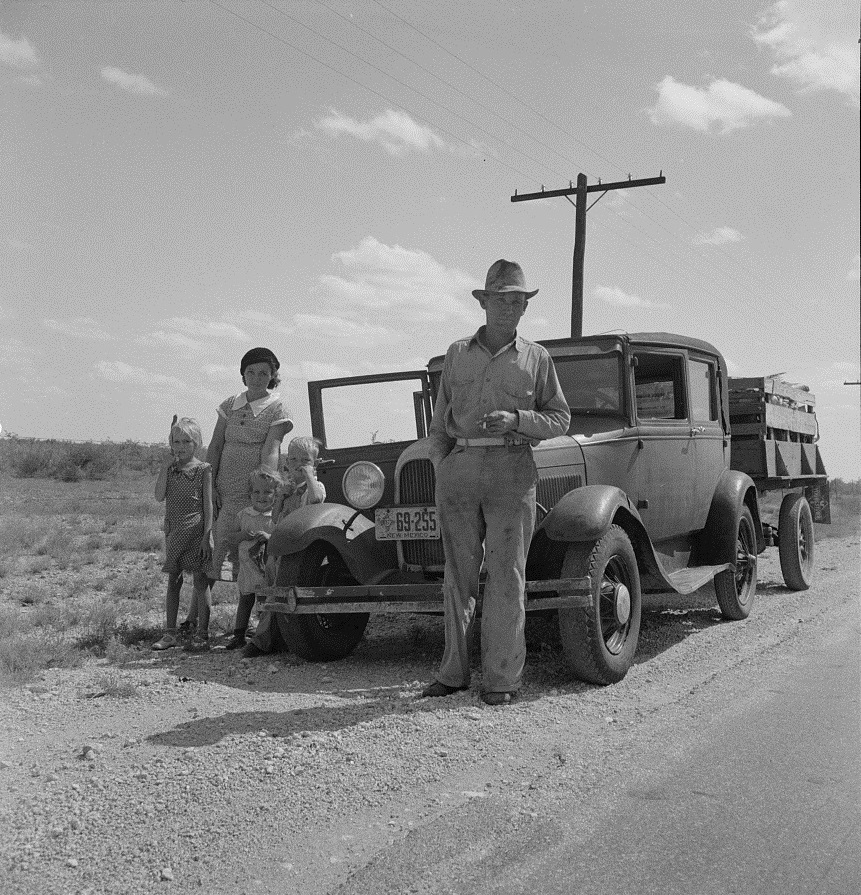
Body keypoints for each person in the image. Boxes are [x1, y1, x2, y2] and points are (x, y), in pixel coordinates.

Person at [421, 259, 570, 706]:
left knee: (507, 576)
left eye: (519, 301)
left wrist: (518, 420)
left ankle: (502, 680)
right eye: (503, 299)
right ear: (484, 303)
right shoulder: (455, 353)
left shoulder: (537, 357)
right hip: (460, 471)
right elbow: (440, 420)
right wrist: (441, 464)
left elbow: (560, 418)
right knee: (457, 577)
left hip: (512, 471)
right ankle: (453, 674)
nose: (512, 307)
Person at [207, 347, 293, 586]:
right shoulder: (230, 404)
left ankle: (248, 618)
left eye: (263, 373)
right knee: (217, 549)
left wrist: (263, 491)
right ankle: (196, 619)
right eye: (251, 372)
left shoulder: (278, 408)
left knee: (250, 557)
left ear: (272, 376)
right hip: (223, 492)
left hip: (252, 493)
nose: (257, 378)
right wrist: (210, 485)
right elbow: (215, 446)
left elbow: (271, 450)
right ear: (243, 374)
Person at [242, 436, 327, 658]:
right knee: (271, 590)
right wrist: (281, 495)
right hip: (278, 547)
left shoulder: (314, 487)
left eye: (305, 460)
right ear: (287, 462)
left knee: (279, 593)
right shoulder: (287, 490)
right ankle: (278, 637)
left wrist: (309, 477)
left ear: (315, 464)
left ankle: (261, 642)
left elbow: (318, 501)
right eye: (294, 459)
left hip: (298, 552)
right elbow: (276, 519)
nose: (299, 464)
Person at [151, 417, 214, 652]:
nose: (180, 446)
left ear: (196, 442)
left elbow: (207, 506)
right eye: (176, 441)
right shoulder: (171, 470)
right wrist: (164, 467)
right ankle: (170, 633)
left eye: (186, 441)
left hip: (196, 531)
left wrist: (207, 536)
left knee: (200, 581)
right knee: (173, 580)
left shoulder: (202, 469)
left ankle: (202, 633)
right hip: (174, 531)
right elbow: (159, 496)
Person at [220, 467, 281, 650]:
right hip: (247, 567)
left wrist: (269, 538)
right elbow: (231, 537)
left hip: (266, 568)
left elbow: (281, 539)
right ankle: (239, 635)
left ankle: (263, 635)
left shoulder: (275, 517)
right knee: (245, 599)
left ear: (276, 494)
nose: (261, 496)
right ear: (250, 494)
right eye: (256, 492)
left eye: (268, 492)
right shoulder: (244, 515)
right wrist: (243, 535)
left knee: (265, 601)